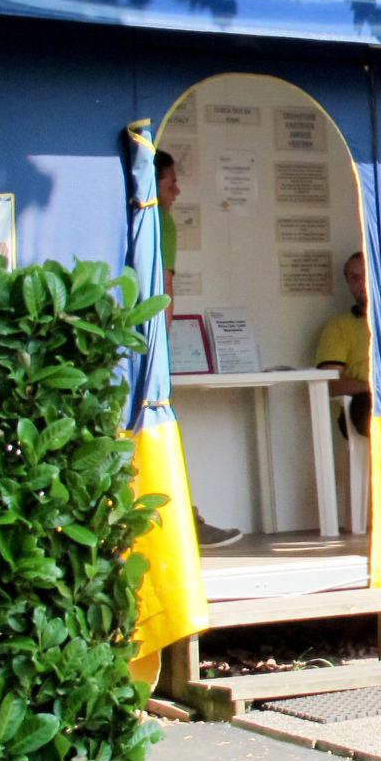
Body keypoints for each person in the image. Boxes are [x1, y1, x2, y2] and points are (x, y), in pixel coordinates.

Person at [155, 149, 243, 549]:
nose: (177, 189)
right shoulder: (162, 221)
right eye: (170, 180)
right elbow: (164, 290)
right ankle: (184, 522)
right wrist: (161, 351)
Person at [316, 251, 372, 436]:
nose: (360, 283)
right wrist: (374, 388)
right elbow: (330, 382)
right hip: (363, 404)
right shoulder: (338, 327)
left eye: (365, 275)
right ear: (348, 283)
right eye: (354, 278)